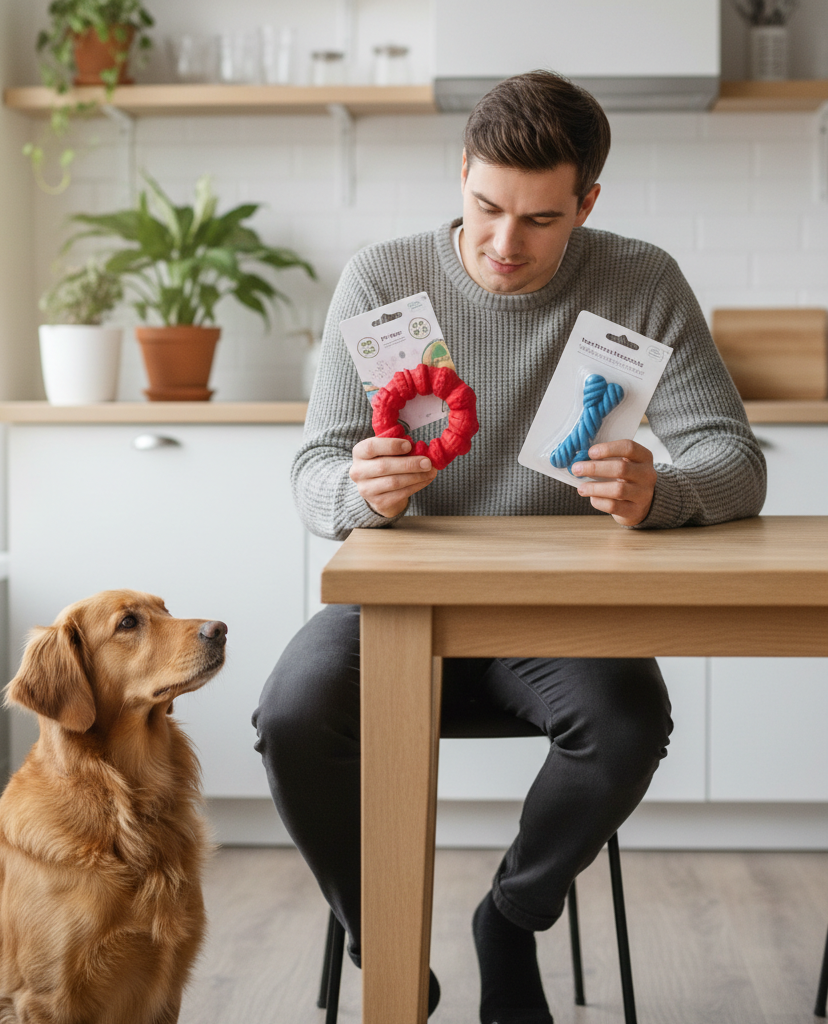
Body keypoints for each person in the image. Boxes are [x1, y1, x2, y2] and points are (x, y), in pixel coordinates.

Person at [252, 70, 766, 1024]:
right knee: (290, 714)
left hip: (559, 613)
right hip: (396, 601)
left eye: (539, 219)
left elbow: (733, 458)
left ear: (587, 204)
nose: (503, 244)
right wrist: (356, 487)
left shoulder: (639, 278)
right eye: (487, 207)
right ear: (461, 175)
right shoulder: (383, 278)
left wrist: (666, 490)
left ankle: (513, 914)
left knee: (628, 723)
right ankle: (384, 938)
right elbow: (314, 471)